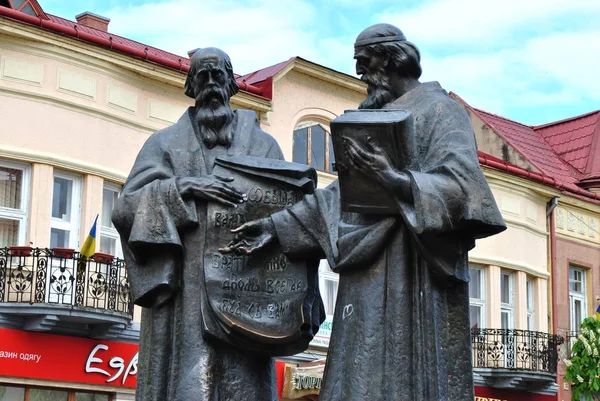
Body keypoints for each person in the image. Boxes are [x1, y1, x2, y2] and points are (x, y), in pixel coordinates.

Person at [224, 24, 507, 401]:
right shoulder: (372, 121)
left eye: (364, 62)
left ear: (391, 59)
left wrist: (394, 180)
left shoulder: (442, 113)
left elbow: (464, 191)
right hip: (365, 283)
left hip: (415, 275)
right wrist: (277, 227)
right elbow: (339, 197)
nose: (360, 73)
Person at [112, 47, 286, 401]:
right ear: (190, 86)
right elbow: (126, 208)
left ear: (232, 84)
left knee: (244, 388)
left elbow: (288, 211)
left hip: (244, 293)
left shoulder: (264, 147)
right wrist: (183, 188)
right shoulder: (162, 144)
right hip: (185, 295)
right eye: (202, 77)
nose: (210, 84)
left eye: (218, 75)